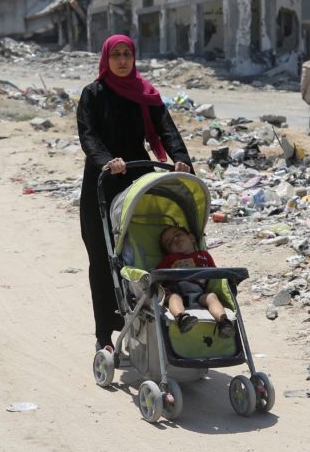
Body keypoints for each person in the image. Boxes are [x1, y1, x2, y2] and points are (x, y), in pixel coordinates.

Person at [77, 34, 193, 352]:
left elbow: (167, 129)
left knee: (144, 252)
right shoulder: (92, 94)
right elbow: (88, 136)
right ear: (106, 58)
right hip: (103, 182)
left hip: (138, 179)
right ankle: (105, 334)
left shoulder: (145, 94)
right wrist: (106, 161)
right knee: (103, 260)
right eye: (117, 54)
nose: (123, 60)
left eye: (128, 53)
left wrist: (180, 159)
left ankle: (150, 320)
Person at [156, 225, 234, 339]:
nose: (175, 240)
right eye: (169, 242)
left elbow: (214, 273)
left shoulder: (204, 255)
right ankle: (182, 318)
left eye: (178, 235)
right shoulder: (169, 259)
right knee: (174, 297)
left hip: (199, 293)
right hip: (176, 290)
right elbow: (157, 274)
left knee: (211, 297)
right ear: (168, 251)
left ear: (191, 238)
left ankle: (223, 322)